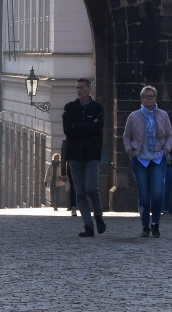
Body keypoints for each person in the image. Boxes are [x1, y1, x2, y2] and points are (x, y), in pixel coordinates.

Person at [123, 85, 172, 238]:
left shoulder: (163, 115)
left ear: (155, 98)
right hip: (140, 159)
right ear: (141, 99)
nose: (149, 99)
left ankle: (155, 223)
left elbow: (170, 135)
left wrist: (166, 150)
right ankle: (145, 225)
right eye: (146, 96)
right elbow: (126, 136)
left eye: (151, 96)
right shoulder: (133, 116)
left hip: (158, 158)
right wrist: (130, 150)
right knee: (144, 195)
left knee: (157, 193)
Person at [63, 77, 106, 237]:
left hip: (92, 154)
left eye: (81, 87)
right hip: (74, 155)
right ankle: (88, 225)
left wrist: (78, 127)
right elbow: (68, 130)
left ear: (89, 89)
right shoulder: (70, 108)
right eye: (77, 88)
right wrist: (86, 127)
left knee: (91, 188)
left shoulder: (97, 108)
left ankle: (99, 216)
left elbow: (97, 127)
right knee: (80, 192)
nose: (79, 90)